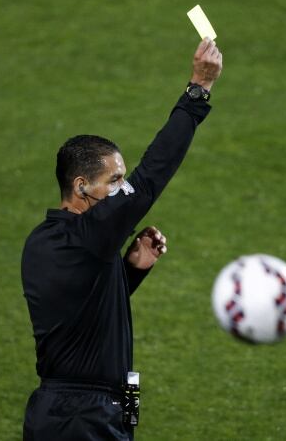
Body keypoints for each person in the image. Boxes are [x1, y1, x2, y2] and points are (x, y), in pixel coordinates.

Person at [21, 38, 222, 440]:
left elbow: (81, 316)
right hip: (85, 416)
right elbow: (151, 177)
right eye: (113, 181)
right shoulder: (86, 236)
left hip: (76, 410)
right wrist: (197, 92)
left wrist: (130, 270)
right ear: (81, 187)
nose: (121, 189)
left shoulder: (47, 240)